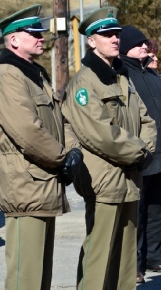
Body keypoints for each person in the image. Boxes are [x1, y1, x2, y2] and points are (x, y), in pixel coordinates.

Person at [0, 5, 83, 290]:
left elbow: (60, 117)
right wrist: (63, 159)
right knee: (25, 277)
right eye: (34, 33)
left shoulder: (33, 75)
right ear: (14, 39)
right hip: (24, 181)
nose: (42, 38)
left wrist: (73, 150)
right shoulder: (7, 76)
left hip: (41, 180)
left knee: (40, 274)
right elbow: (27, 132)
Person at [61, 8, 157, 290]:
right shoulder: (84, 82)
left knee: (126, 256)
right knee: (100, 253)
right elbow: (100, 133)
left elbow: (146, 119)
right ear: (91, 41)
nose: (115, 39)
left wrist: (145, 150)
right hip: (105, 179)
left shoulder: (122, 76)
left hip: (131, 177)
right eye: (107, 35)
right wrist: (141, 153)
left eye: (116, 33)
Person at [119, 26, 161, 283]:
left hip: (160, 158)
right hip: (141, 156)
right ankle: (134, 265)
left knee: (157, 211)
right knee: (137, 214)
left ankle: (154, 257)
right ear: (125, 48)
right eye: (139, 45)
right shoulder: (123, 75)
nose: (144, 48)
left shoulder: (152, 74)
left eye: (146, 45)